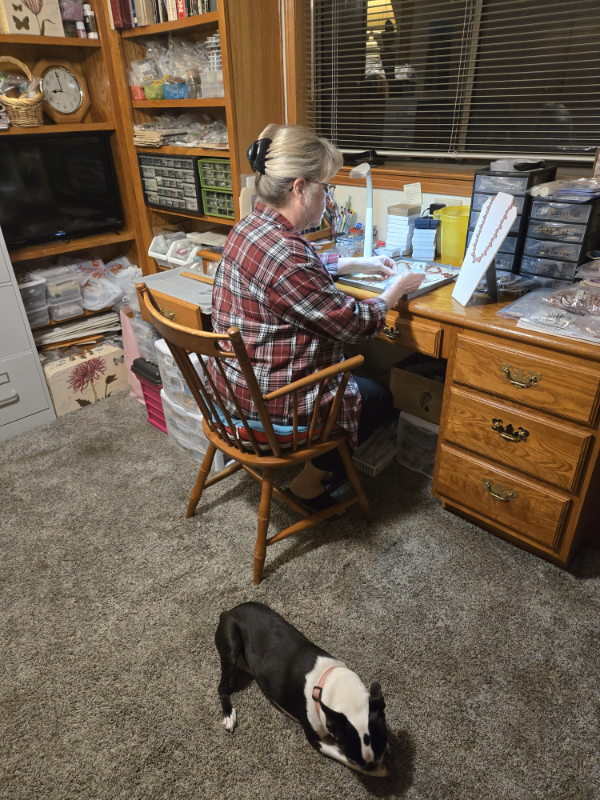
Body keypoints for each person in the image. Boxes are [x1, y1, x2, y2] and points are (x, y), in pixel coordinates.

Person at [209, 124, 424, 511]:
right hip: (269, 401)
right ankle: (309, 484)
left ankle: (312, 466)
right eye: (325, 187)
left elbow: (289, 273)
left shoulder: (251, 225)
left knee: (357, 381)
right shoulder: (290, 255)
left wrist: (355, 261)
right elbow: (357, 324)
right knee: (378, 396)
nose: (327, 197)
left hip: (232, 389)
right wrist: (397, 289)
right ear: (299, 187)